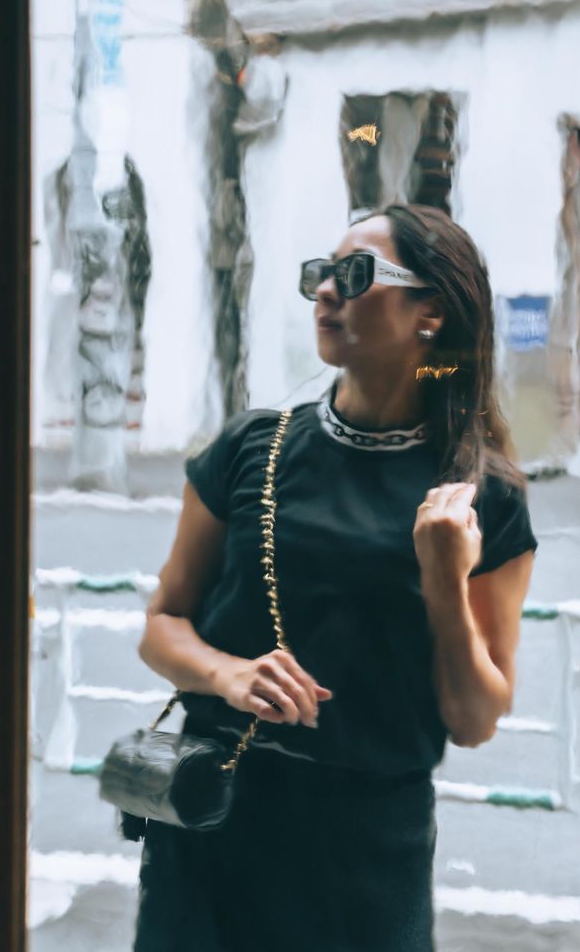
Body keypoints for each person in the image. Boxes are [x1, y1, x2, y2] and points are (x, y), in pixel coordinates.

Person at [133, 203, 538, 951]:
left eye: (354, 274)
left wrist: (444, 584)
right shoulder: (250, 447)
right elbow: (162, 625)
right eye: (321, 273)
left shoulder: (482, 498)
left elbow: (474, 718)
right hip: (213, 826)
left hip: (368, 854)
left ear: (430, 313)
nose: (325, 290)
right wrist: (228, 674)